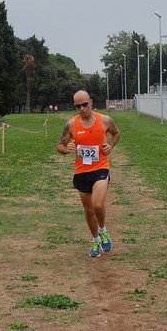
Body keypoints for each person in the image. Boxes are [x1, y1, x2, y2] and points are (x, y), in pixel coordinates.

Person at [56, 90, 121, 258]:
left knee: (98, 204)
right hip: (82, 172)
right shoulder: (71, 124)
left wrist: (110, 147)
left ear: (91, 102)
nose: (82, 108)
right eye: (77, 106)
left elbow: (116, 133)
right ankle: (95, 240)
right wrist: (66, 149)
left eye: (84, 104)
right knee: (88, 210)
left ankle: (103, 230)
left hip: (100, 168)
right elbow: (60, 146)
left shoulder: (105, 120)